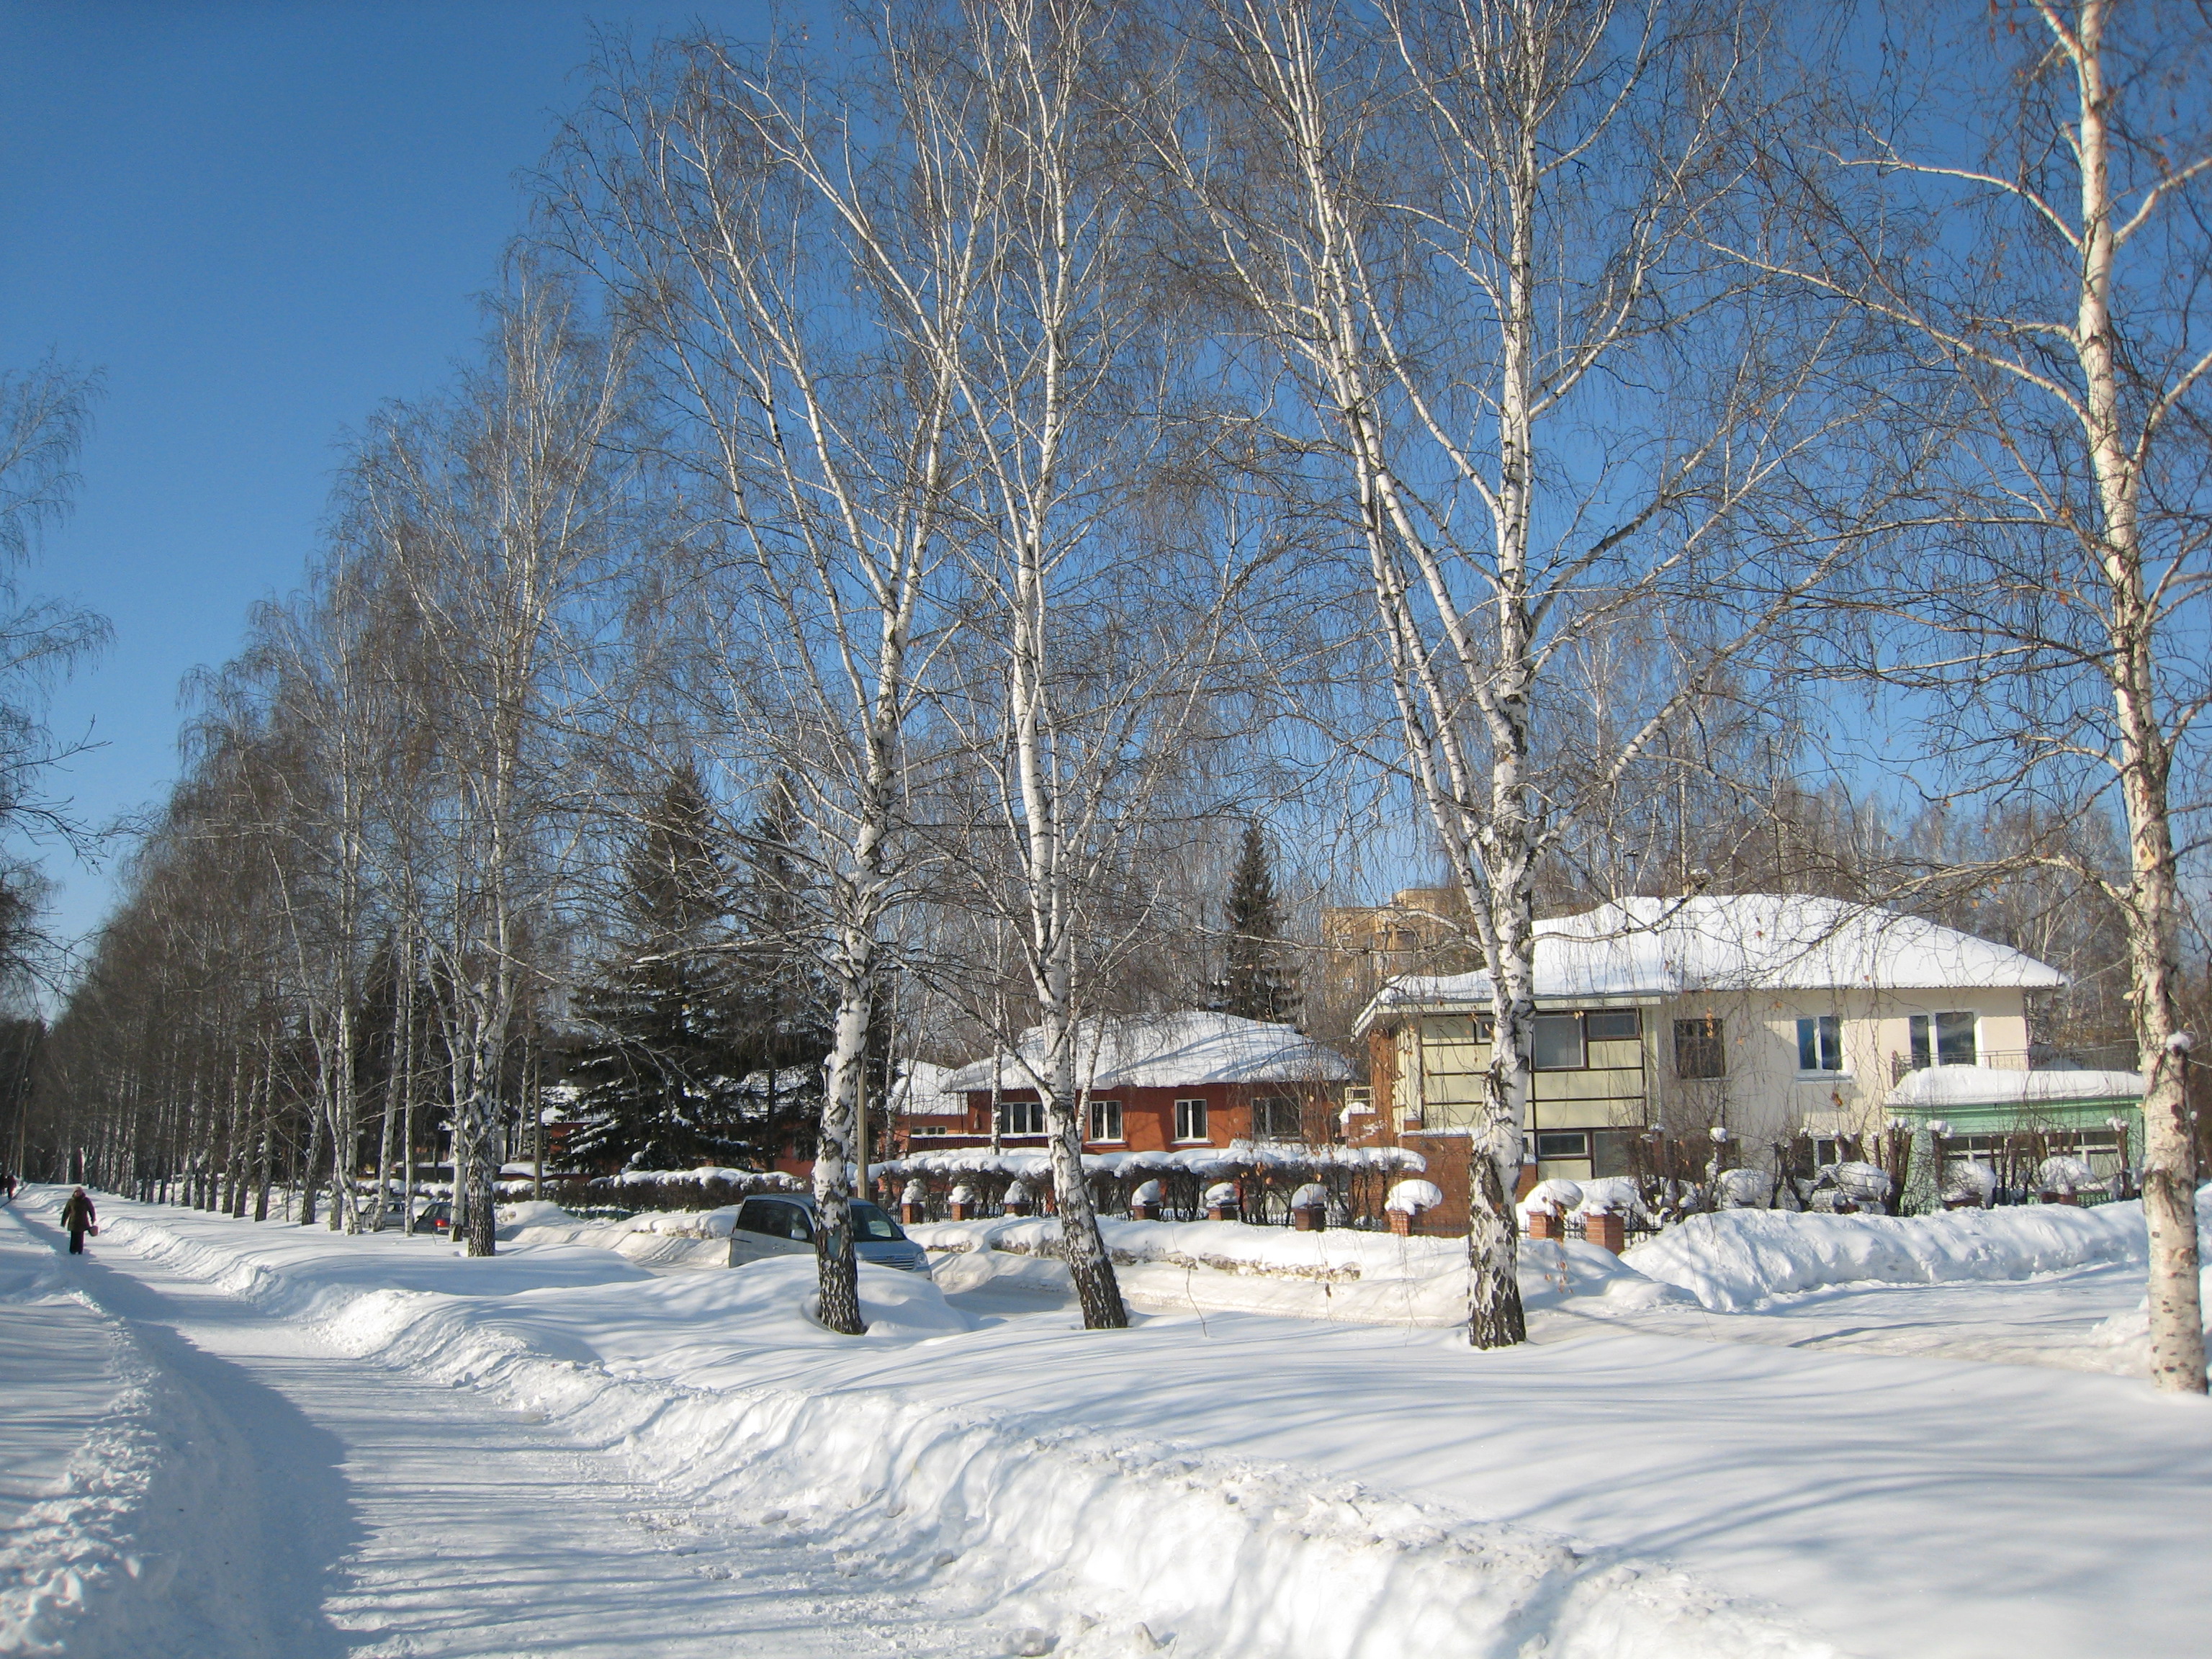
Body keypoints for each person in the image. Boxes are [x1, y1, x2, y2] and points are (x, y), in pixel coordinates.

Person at [60, 1187, 95, 1254]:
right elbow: (66, 1212)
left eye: (79, 1192)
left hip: (83, 1221)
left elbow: (91, 1210)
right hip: (73, 1222)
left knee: (80, 1237)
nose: (78, 1193)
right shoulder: (71, 1201)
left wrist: (93, 1218)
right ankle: (73, 1250)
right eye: (76, 1192)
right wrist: (63, 1221)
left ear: (82, 1193)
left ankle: (79, 1250)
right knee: (74, 1236)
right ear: (74, 1193)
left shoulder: (86, 1201)